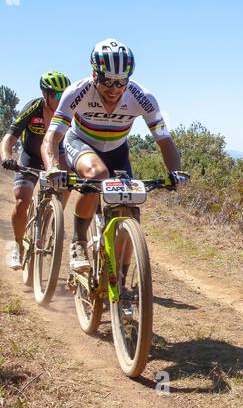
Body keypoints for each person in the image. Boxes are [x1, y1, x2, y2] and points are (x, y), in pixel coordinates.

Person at [39, 39, 185, 272]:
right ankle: (78, 242)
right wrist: (53, 167)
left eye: (121, 82)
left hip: (118, 151)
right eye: (107, 80)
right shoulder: (77, 92)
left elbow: (164, 139)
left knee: (130, 212)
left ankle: (122, 282)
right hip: (81, 143)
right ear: (94, 74)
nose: (114, 88)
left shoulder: (142, 96)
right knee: (97, 174)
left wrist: (175, 172)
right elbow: (51, 138)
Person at [0, 71, 72, 269]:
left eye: (64, 95)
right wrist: (7, 157)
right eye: (57, 95)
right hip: (30, 157)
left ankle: (55, 217)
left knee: (68, 184)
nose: (61, 99)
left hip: (57, 155)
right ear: (45, 94)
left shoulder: (69, 110)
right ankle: (17, 245)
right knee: (22, 200)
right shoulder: (33, 108)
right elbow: (9, 137)